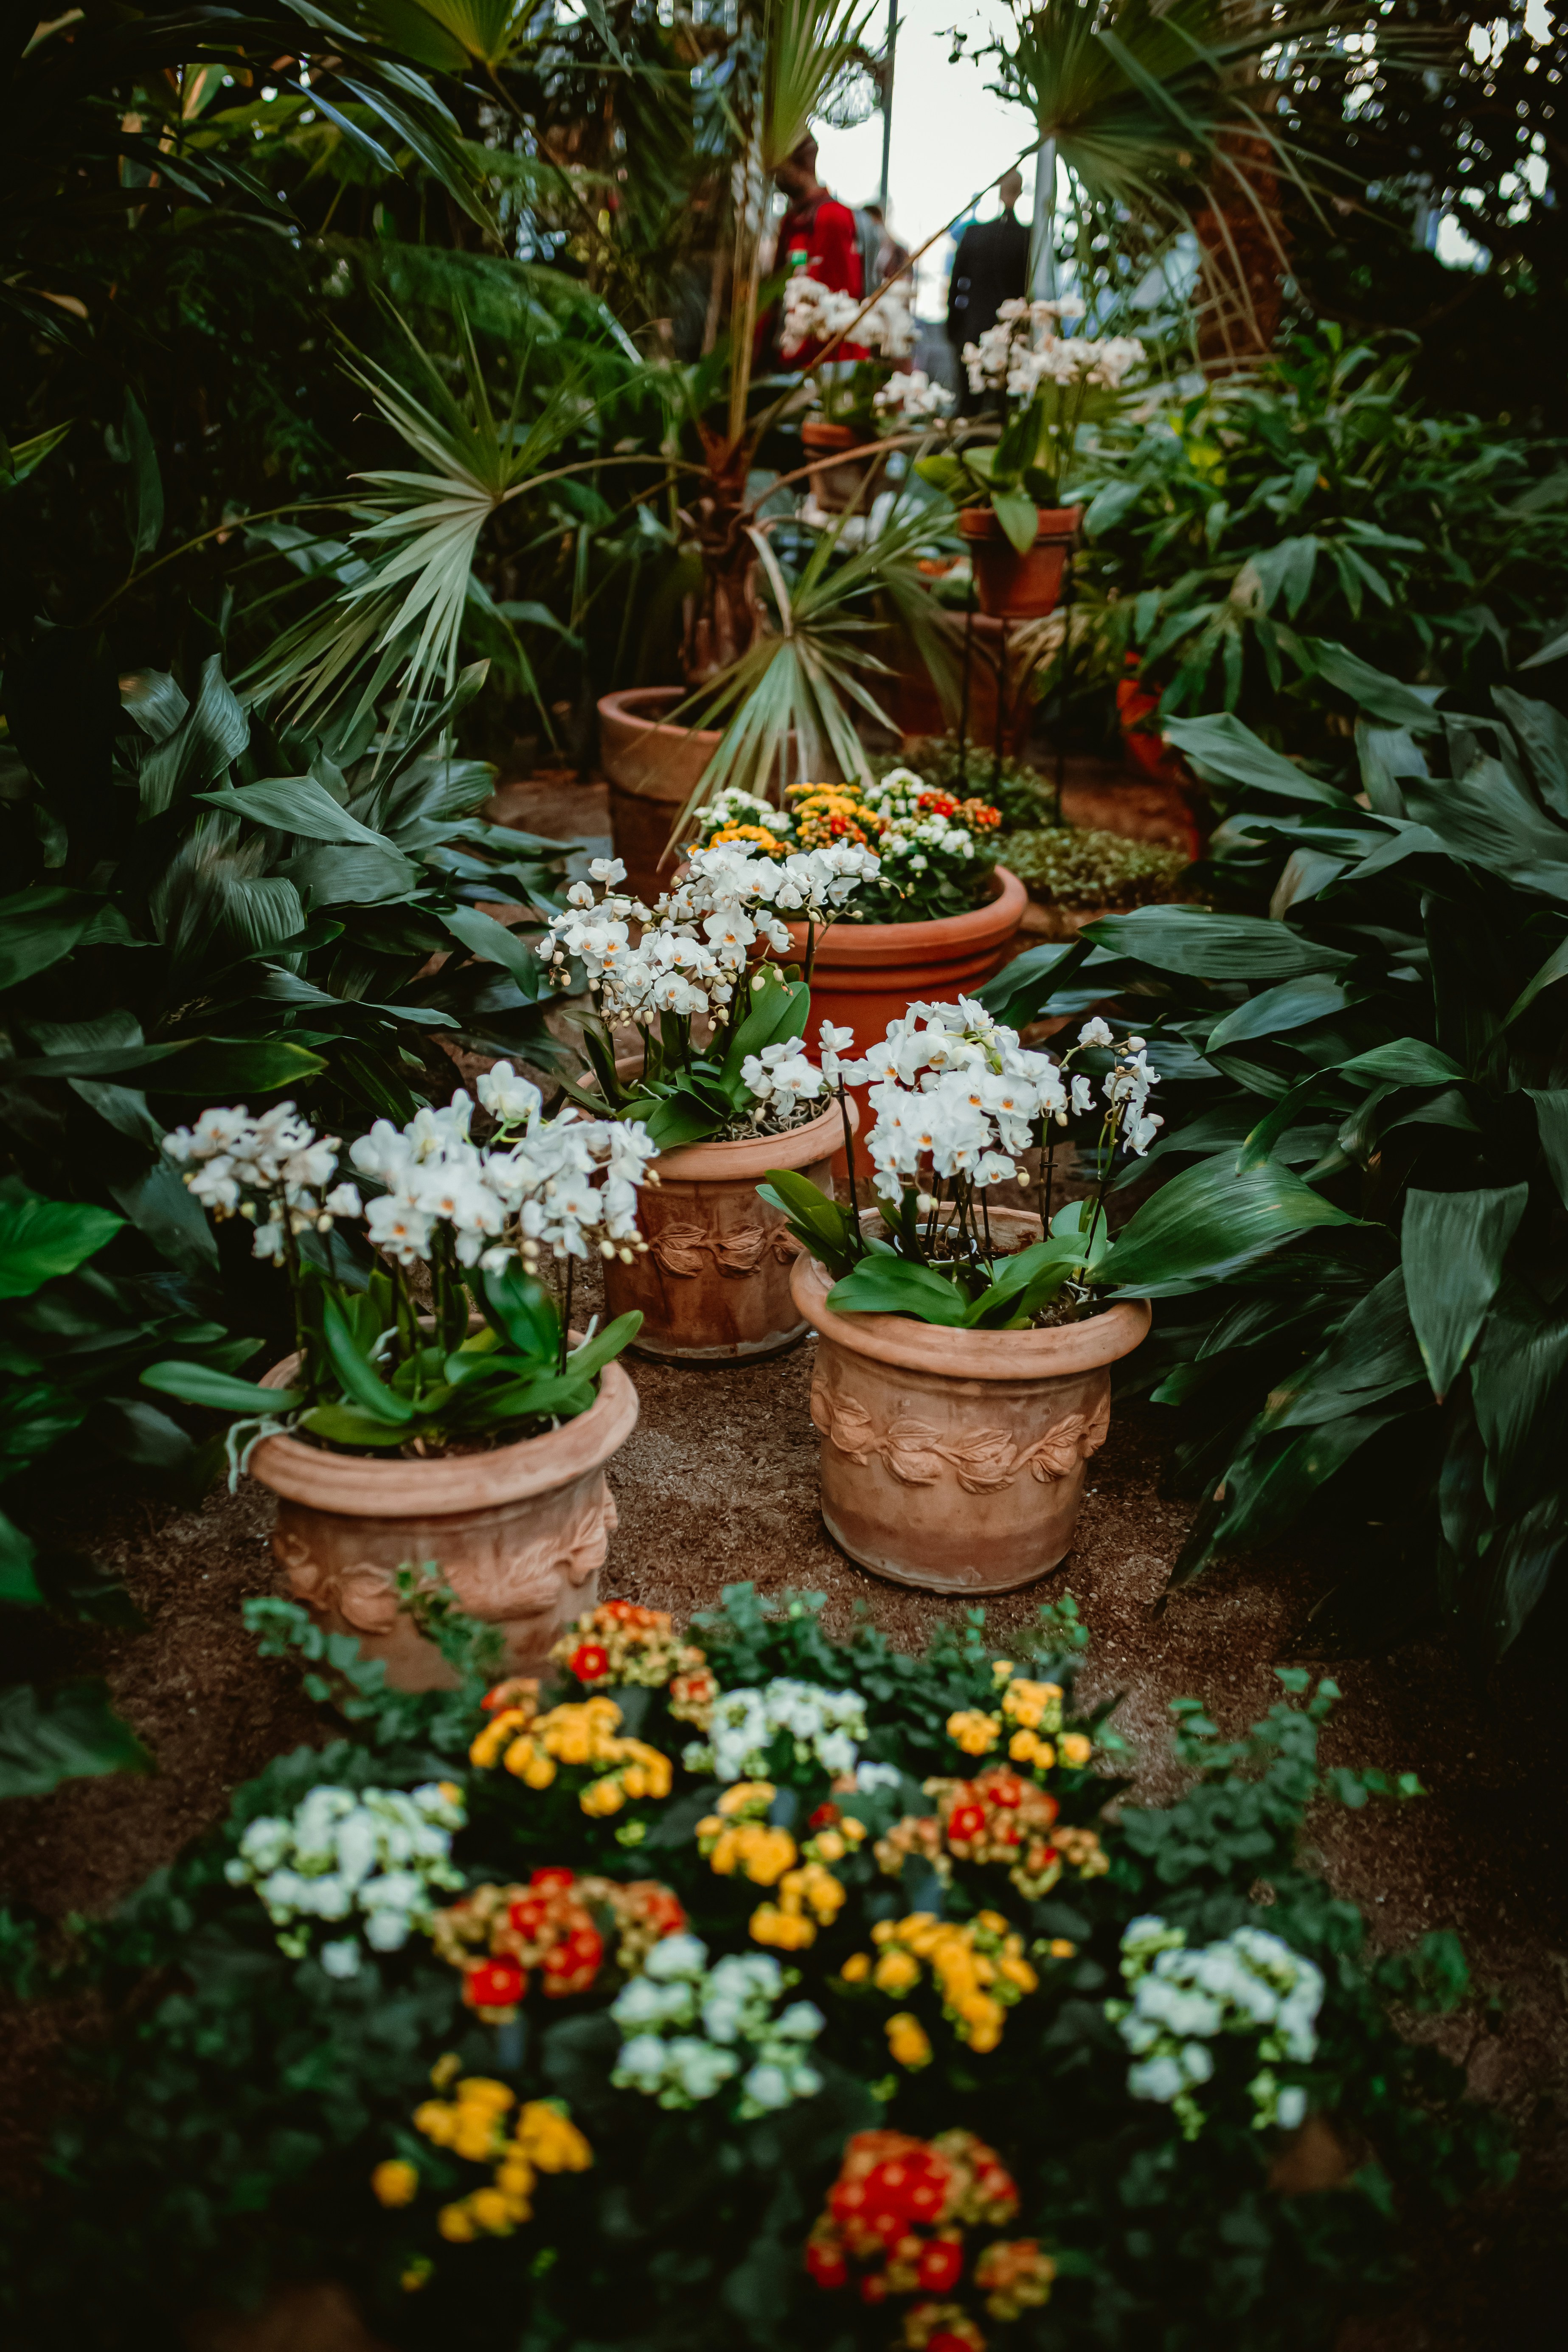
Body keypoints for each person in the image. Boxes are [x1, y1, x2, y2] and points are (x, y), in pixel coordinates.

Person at [767, 135, 867, 366]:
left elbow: (841, 299)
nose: (775, 175)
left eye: (780, 166)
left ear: (800, 164)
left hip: (825, 361)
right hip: (792, 357)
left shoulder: (831, 217)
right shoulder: (792, 221)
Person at [947, 168, 1030, 401]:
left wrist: (954, 327)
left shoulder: (974, 234)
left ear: (999, 192)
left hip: (972, 328)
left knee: (969, 399)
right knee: (1004, 401)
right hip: (1009, 332)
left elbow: (956, 284)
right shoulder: (1027, 238)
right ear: (1020, 192)